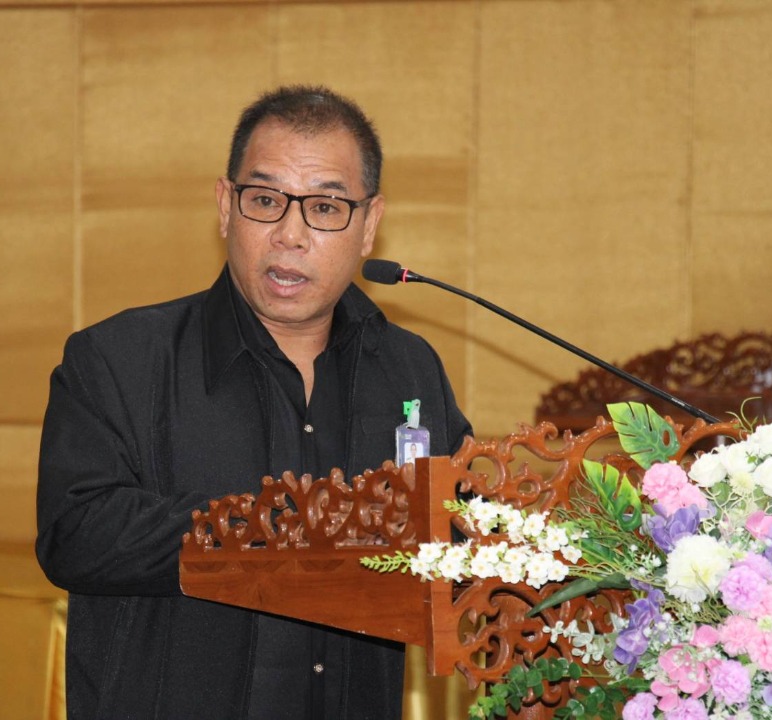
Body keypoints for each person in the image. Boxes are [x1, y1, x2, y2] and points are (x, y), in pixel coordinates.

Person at [36, 85, 473, 720]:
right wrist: (281, 527)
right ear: (225, 207)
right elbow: (76, 536)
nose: (289, 235)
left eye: (325, 208)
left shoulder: (408, 368)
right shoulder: (119, 359)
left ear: (369, 226)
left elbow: (462, 523)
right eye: (265, 201)